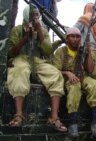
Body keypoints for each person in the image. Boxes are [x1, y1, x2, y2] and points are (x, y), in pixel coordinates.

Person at [6, 4, 67, 132]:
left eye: (37, 15)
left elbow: (48, 51)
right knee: (19, 72)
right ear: (26, 15)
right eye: (33, 15)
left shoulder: (43, 32)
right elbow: (11, 52)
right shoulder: (17, 29)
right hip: (22, 58)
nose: (35, 17)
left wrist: (39, 32)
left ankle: (54, 117)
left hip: (38, 61)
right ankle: (18, 115)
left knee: (55, 75)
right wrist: (25, 38)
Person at [52, 27, 96, 138]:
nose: (75, 39)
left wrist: (88, 52)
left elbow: (90, 70)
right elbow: (55, 70)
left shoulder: (83, 50)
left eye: (77, 36)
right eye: (72, 36)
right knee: (74, 87)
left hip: (83, 77)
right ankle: (73, 123)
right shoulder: (61, 51)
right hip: (68, 79)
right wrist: (67, 73)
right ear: (67, 38)